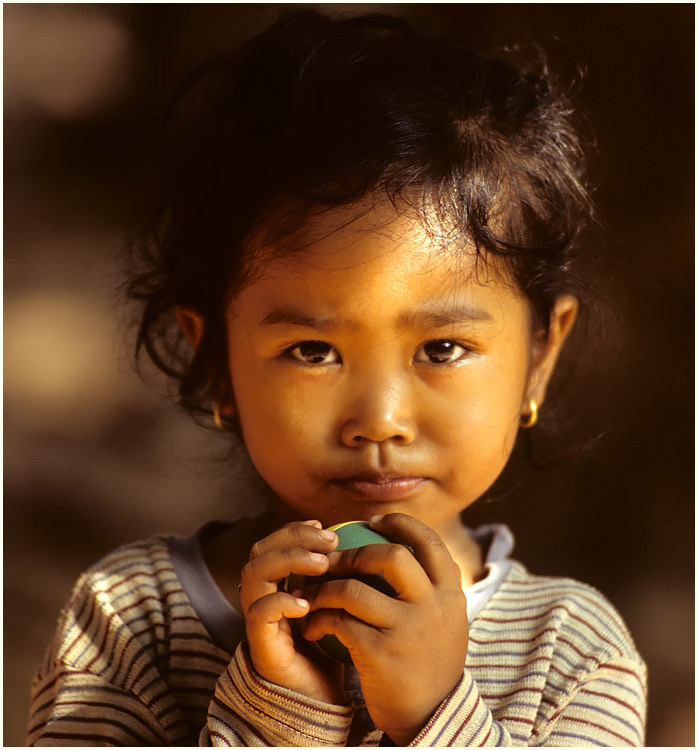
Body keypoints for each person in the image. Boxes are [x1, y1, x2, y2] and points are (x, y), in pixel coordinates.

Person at [27, 9, 647, 747]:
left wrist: (433, 716)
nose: (380, 419)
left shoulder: (571, 652)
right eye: (313, 352)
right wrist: (280, 716)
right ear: (218, 361)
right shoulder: (129, 621)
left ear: (538, 359)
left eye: (443, 349)